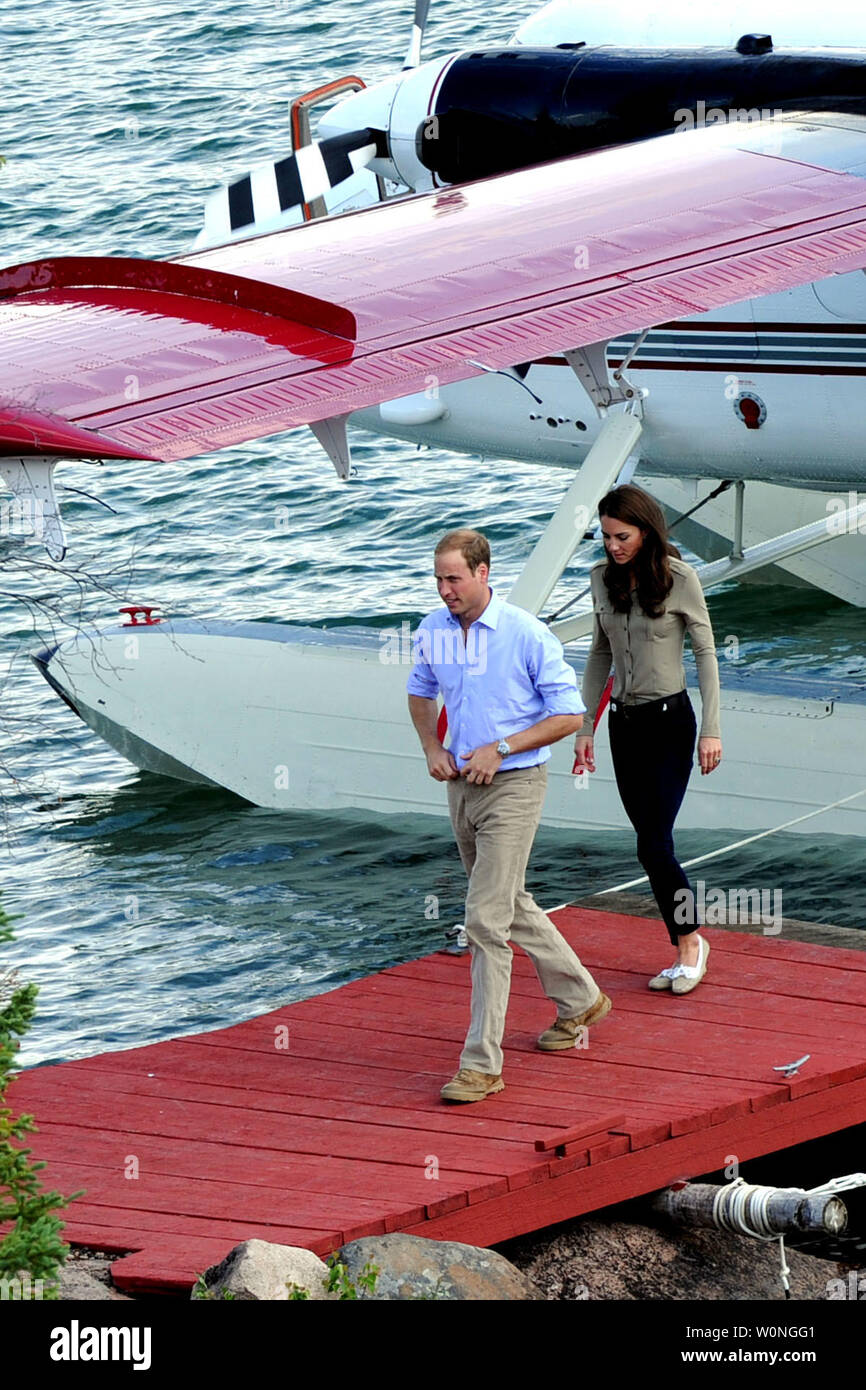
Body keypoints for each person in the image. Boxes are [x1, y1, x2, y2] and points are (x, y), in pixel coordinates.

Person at [407, 528, 611, 1104]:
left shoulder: (524, 633)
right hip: (460, 787)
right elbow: (421, 691)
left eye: (454, 578)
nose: (445, 589)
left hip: (515, 786)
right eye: (439, 578)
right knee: (507, 902)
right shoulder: (434, 631)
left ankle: (481, 1065)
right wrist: (431, 747)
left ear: (483, 572)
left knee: (484, 923)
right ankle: (580, 1000)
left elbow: (569, 714)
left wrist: (504, 747)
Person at [574, 485, 722, 994]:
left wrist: (712, 730)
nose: (613, 546)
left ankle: (690, 944)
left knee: (655, 843)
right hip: (624, 724)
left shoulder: (680, 578)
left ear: (646, 530)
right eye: (606, 536)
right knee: (648, 845)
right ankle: (686, 940)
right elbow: (598, 657)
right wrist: (583, 727)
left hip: (670, 721)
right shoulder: (601, 579)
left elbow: (706, 654)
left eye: (623, 536)